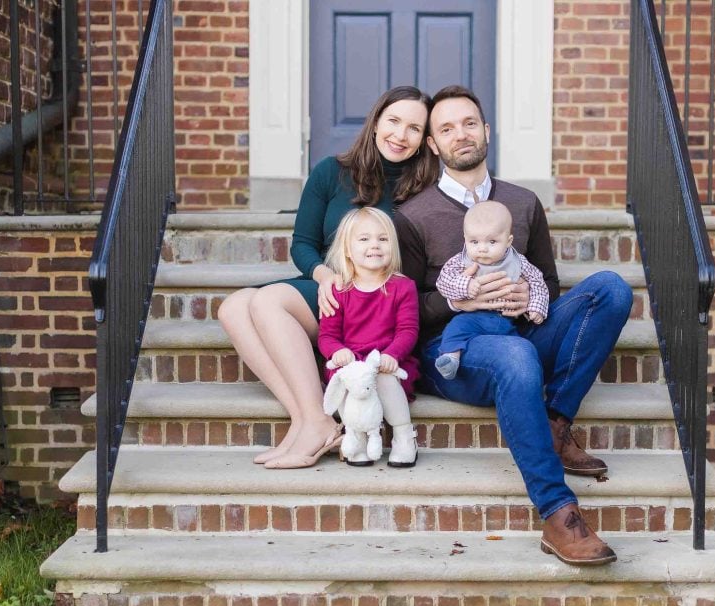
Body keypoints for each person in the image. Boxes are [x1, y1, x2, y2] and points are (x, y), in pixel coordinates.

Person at [394, 85, 633, 566]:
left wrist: (530, 301)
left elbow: (548, 282)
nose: (459, 134)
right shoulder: (412, 216)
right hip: (455, 353)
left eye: (468, 123)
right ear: (433, 146)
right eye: (445, 128)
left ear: (485, 131)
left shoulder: (523, 204)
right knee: (517, 355)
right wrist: (459, 300)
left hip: (518, 332)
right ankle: (559, 512)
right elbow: (405, 310)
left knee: (611, 288)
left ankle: (555, 421)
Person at [218, 86, 438, 469]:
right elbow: (302, 243)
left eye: (414, 129)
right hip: (331, 289)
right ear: (375, 122)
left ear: (424, 140)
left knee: (266, 300)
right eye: (394, 121)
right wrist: (323, 277)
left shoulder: (423, 190)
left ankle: (313, 423)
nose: (401, 136)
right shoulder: (331, 171)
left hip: (375, 304)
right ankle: (308, 418)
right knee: (233, 307)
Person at [317, 207, 419, 467]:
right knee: (346, 380)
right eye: (364, 239)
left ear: (392, 246)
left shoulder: (402, 286)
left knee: (383, 378)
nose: (375, 245)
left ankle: (404, 435)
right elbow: (327, 335)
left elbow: (408, 330)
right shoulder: (339, 289)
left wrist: (392, 355)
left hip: (388, 360)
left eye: (382, 239)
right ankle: (357, 437)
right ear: (348, 250)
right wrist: (336, 352)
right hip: (353, 361)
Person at [433, 200, 549, 380]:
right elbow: (443, 281)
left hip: (505, 320)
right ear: (465, 239)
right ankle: (451, 358)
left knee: (518, 344)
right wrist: (466, 285)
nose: (482, 249)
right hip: (471, 317)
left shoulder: (517, 261)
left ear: (508, 241)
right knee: (455, 328)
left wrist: (535, 306)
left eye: (492, 241)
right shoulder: (461, 261)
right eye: (474, 241)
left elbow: (537, 280)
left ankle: (533, 371)